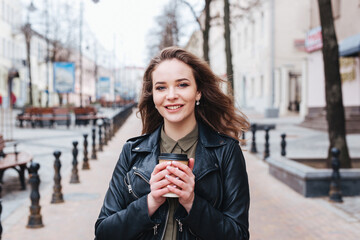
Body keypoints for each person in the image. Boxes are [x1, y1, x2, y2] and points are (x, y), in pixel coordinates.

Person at [95, 47, 250, 240]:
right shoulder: (132, 152)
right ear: (153, 95)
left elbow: (239, 235)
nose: (171, 95)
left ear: (198, 91)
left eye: (182, 85)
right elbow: (103, 233)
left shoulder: (226, 151)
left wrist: (192, 202)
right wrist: (150, 202)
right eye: (161, 87)